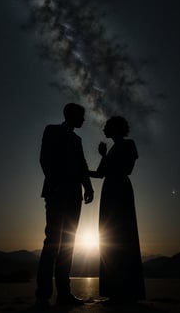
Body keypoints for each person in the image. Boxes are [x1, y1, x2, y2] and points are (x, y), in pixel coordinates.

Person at [36, 103, 94, 308]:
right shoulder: (52, 130)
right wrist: (56, 183)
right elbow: (44, 159)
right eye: (82, 116)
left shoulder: (77, 140)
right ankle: (43, 295)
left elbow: (82, 165)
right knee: (52, 241)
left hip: (74, 196)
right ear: (72, 115)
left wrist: (88, 187)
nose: (84, 120)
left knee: (69, 243)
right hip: (57, 192)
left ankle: (64, 294)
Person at [89, 116, 146, 305]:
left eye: (109, 125)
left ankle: (127, 291)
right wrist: (79, 170)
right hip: (109, 190)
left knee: (123, 235)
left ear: (118, 127)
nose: (105, 128)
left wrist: (106, 158)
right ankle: (114, 291)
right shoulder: (111, 149)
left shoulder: (129, 144)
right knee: (108, 236)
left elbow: (127, 169)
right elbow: (99, 174)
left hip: (120, 189)